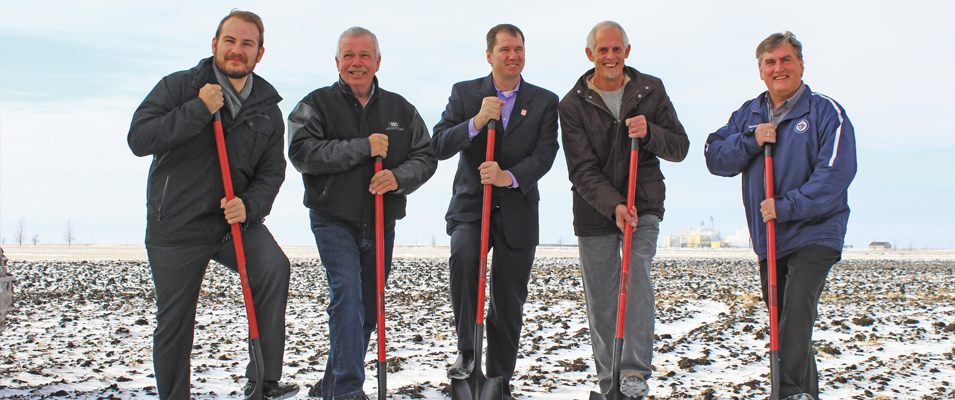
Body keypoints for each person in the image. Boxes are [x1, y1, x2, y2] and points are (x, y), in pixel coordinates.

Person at [127, 9, 298, 400]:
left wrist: (250, 206)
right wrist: (198, 110)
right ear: (215, 45)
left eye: (247, 44)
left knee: (273, 267)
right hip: (177, 225)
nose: (237, 51)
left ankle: (264, 379)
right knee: (175, 321)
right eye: (230, 41)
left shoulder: (268, 109)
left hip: (231, 224)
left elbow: (272, 172)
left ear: (260, 53)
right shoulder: (178, 88)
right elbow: (139, 139)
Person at [704, 31, 856, 400]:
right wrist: (752, 140)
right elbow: (715, 156)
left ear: (801, 65)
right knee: (785, 318)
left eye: (786, 60)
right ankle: (804, 394)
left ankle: (785, 393)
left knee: (795, 314)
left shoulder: (825, 111)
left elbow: (836, 172)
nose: (779, 68)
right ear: (760, 71)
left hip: (816, 231)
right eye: (770, 62)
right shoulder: (748, 114)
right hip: (770, 239)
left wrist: (787, 206)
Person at [287, 27, 437, 400]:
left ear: (377, 62)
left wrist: (397, 178)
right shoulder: (315, 104)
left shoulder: (401, 110)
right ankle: (350, 391)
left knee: (367, 311)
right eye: (349, 55)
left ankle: (333, 384)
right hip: (332, 219)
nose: (357, 63)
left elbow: (426, 156)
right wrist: (362, 148)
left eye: (365, 55)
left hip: (381, 222)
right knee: (348, 299)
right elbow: (302, 152)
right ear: (337, 62)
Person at [558, 21, 689, 399]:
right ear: (590, 55)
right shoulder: (572, 104)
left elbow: (679, 147)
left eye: (617, 49)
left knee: (636, 278)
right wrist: (613, 204)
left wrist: (649, 132)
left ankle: (633, 372)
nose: (610, 57)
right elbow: (581, 169)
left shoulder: (652, 90)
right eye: (603, 50)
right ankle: (608, 381)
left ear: (627, 52)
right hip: (593, 208)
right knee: (601, 296)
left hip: (643, 201)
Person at [431, 23, 559, 399]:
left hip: (517, 209)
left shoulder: (543, 100)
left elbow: (545, 155)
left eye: (519, 49)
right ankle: (467, 352)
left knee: (508, 298)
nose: (513, 56)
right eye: (505, 49)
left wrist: (509, 177)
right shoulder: (466, 93)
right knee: (465, 257)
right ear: (489, 55)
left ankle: (499, 377)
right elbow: (438, 144)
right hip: (472, 206)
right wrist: (474, 123)